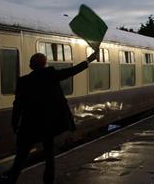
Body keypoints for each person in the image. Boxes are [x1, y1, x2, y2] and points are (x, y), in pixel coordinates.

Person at [6, 50, 98, 184]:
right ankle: (48, 181)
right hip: (48, 125)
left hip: (29, 124)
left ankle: (11, 180)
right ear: (44, 64)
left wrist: (14, 124)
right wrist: (88, 60)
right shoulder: (52, 75)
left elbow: (17, 105)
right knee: (49, 156)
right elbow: (72, 71)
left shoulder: (23, 81)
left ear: (31, 65)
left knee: (21, 157)